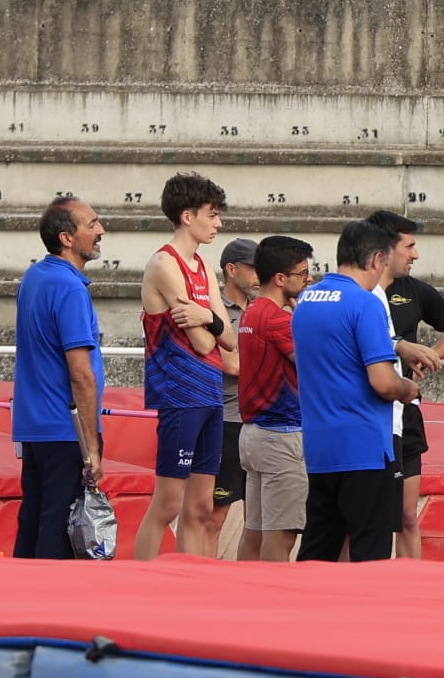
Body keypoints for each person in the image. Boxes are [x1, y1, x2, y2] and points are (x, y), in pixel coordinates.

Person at [292, 219, 418, 562]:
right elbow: (382, 381)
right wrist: (408, 388)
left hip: (320, 446)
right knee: (370, 555)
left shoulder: (306, 299)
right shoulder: (365, 304)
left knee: (318, 548)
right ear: (377, 259)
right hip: (363, 446)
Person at [134, 172, 236, 560]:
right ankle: (141, 582)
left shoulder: (203, 267)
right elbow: (203, 341)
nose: (218, 223)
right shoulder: (164, 263)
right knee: (169, 504)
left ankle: (192, 585)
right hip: (180, 392)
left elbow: (226, 338)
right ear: (187, 216)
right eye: (212, 214)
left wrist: (206, 317)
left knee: (200, 508)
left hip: (209, 393)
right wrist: (210, 321)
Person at [10, 198, 106, 560]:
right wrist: (92, 446)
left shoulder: (36, 276)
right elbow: (80, 374)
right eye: (92, 224)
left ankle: (18, 605)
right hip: (65, 430)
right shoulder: (68, 288)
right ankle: (45, 609)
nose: (100, 231)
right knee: (58, 533)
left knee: (34, 522)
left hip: (35, 425)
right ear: (67, 237)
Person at [372, 212, 444, 559]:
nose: (416, 254)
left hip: (405, 411)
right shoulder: (362, 295)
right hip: (371, 414)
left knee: (407, 516)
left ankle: (410, 589)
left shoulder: (416, 291)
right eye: (409, 246)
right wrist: (401, 347)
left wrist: (426, 357)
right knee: (369, 518)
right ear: (385, 249)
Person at [237, 235, 315, 562]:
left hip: (255, 434)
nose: (308, 280)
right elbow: (314, 365)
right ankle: (273, 604)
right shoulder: (279, 320)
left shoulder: (253, 311)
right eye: (302, 274)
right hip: (281, 436)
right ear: (281, 278)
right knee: (280, 539)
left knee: (253, 534)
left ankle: (244, 599)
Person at [212, 236, 258, 558]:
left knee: (258, 520)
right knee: (216, 514)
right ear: (232, 269)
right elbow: (230, 365)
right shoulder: (213, 307)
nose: (261, 275)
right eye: (255, 268)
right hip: (227, 421)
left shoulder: (264, 308)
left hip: (260, 422)